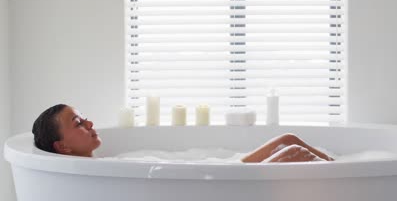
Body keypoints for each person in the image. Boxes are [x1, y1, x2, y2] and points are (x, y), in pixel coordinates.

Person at [32, 104, 333, 162]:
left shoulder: (104, 162)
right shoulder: (93, 173)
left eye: (85, 118)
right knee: (294, 153)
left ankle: (338, 168)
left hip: (220, 168)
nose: (90, 124)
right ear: (63, 148)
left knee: (289, 140)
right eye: (78, 124)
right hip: (218, 182)